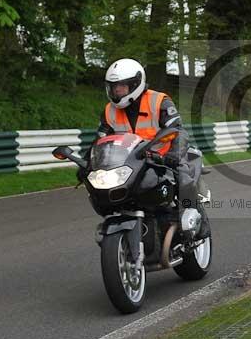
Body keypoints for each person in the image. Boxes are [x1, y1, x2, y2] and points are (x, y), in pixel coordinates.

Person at [80, 58, 210, 239]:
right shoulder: (110, 110)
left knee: (183, 174)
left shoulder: (158, 101)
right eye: (113, 87)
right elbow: (100, 140)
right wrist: (86, 163)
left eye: (121, 87)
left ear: (135, 84)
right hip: (130, 162)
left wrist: (174, 154)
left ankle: (198, 219)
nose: (116, 91)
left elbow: (178, 130)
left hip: (162, 157)